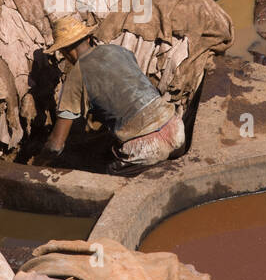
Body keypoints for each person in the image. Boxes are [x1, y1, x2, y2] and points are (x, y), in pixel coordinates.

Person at [34, 13, 185, 175]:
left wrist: (37, 165)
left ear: (64, 51)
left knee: (102, 175)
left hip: (145, 149)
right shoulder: (119, 50)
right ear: (87, 38)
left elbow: (55, 146)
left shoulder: (75, 76)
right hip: (176, 128)